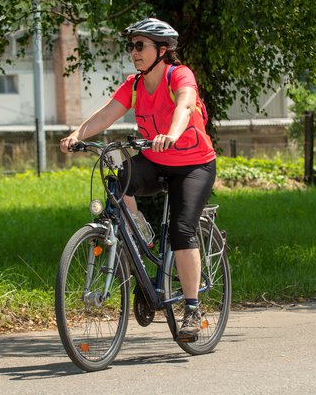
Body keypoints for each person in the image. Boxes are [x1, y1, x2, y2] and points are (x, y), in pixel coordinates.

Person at [59, 17, 216, 342]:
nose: (134, 51)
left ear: (162, 49)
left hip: (193, 165)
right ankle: (140, 233)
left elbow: (185, 106)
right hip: (157, 161)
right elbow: (106, 113)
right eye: (131, 46)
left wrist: (172, 134)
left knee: (181, 229)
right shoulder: (133, 85)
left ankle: (191, 308)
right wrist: (77, 134)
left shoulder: (178, 75)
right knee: (117, 178)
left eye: (140, 45)